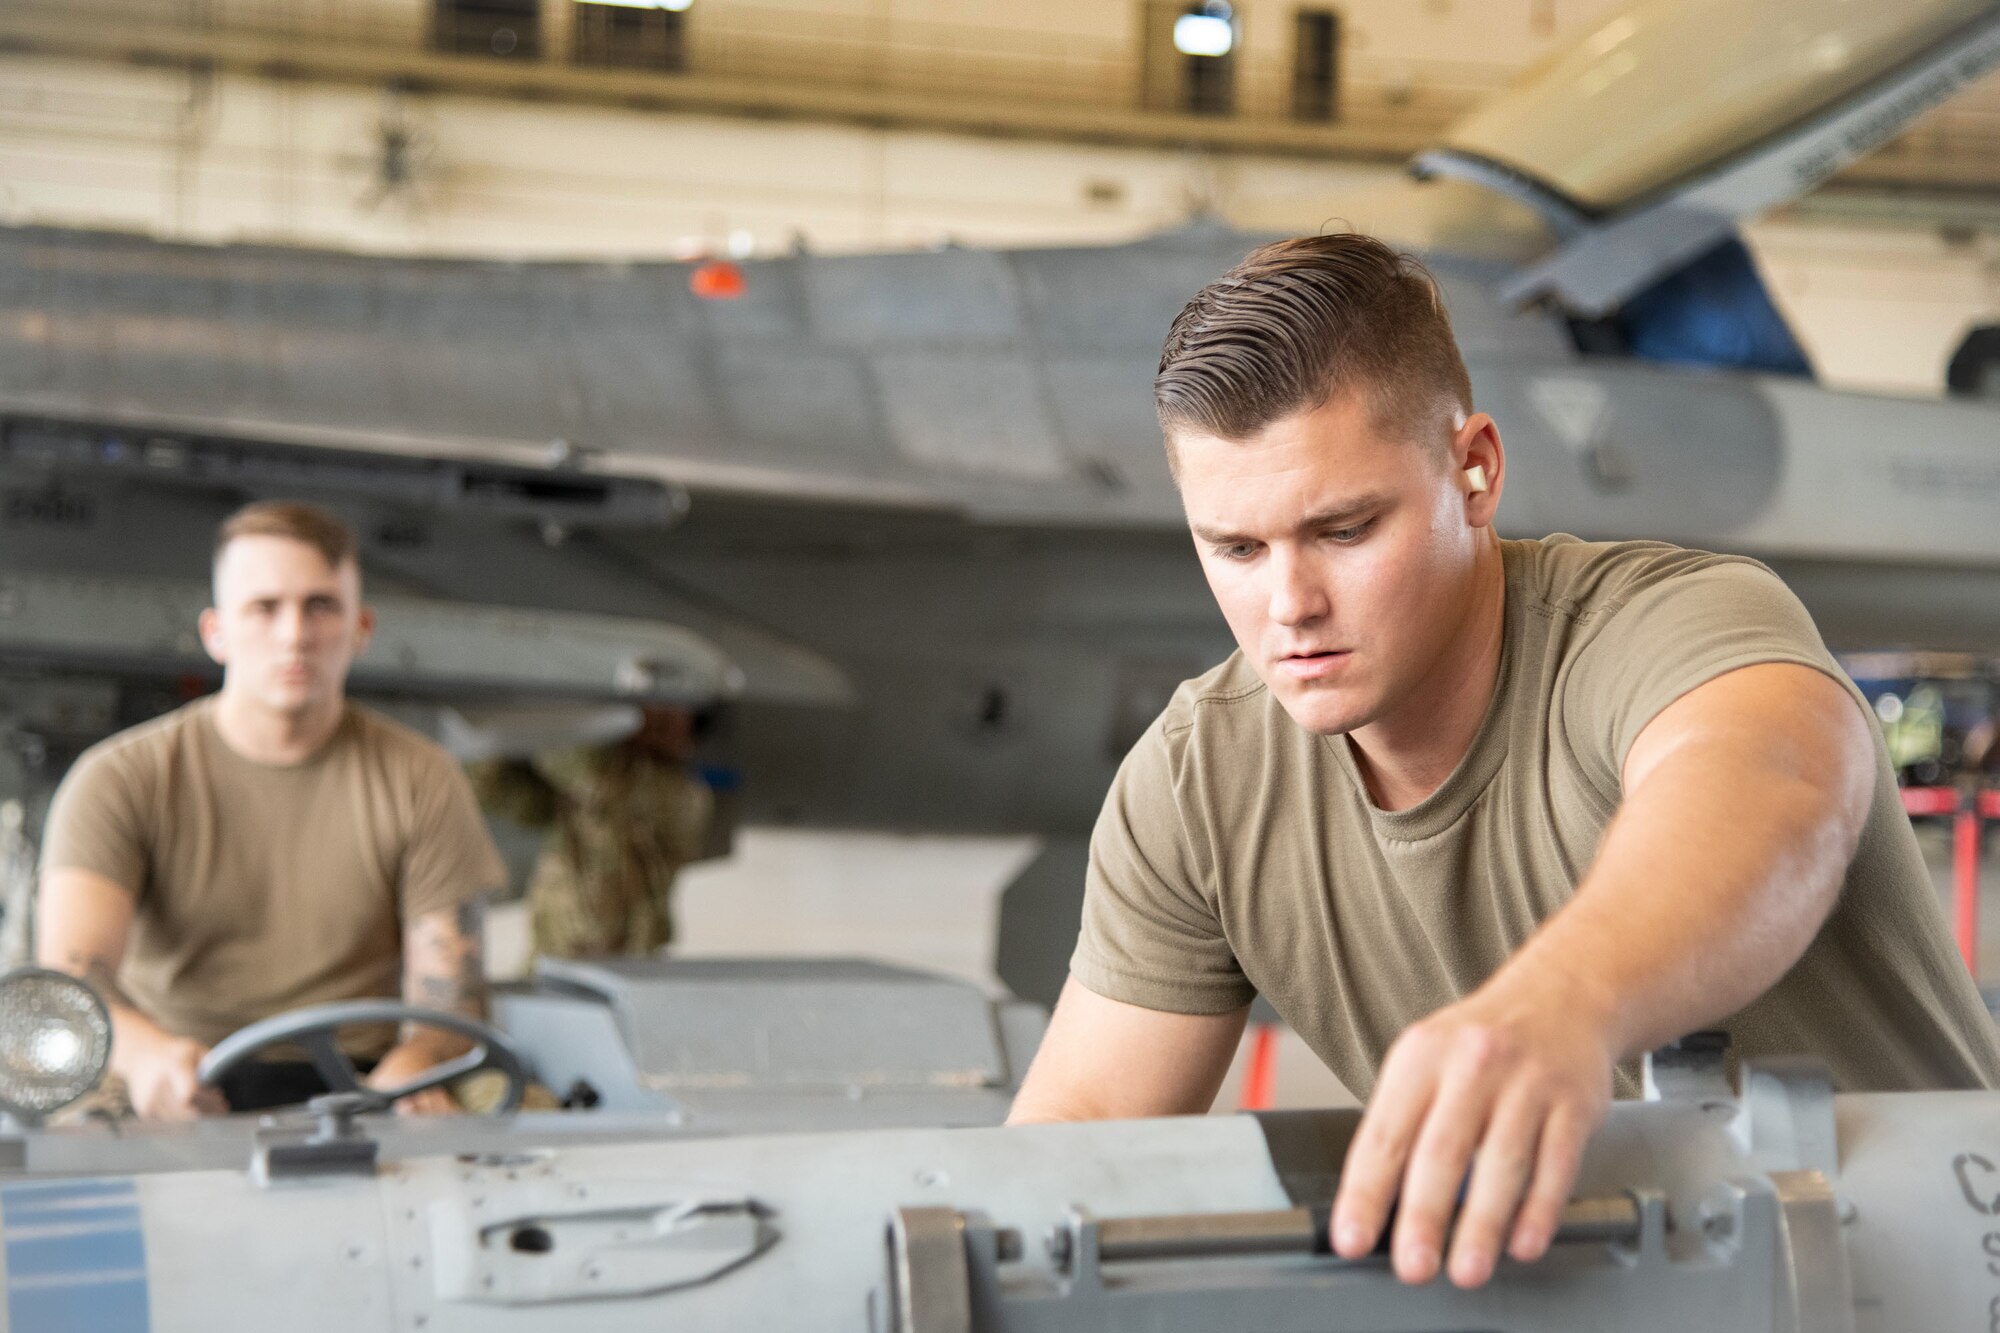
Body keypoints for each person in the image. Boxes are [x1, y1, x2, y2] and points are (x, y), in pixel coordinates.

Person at [1007, 234, 2000, 1291]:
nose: (1287, 606)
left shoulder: (1665, 623)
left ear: (1472, 468)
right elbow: (1074, 1144)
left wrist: (1561, 1004)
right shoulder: (1198, 782)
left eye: (1343, 529)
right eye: (1235, 549)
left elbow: (1772, 793)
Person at [36, 501, 506, 1120]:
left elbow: (453, 997)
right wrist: (148, 1057)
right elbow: (72, 980)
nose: (294, 635)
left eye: (320, 606)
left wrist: (416, 1062)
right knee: (69, 1152)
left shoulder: (423, 778)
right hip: (176, 1074)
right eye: (264, 607)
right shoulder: (119, 779)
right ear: (216, 632)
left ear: (360, 627)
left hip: (362, 1084)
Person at [469, 706, 713, 960]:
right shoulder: (594, 781)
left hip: (623, 957)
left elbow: (590, 775)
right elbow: (511, 798)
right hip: (556, 948)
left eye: (673, 715)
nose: (656, 717)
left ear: (689, 738)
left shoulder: (684, 793)